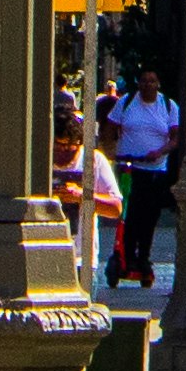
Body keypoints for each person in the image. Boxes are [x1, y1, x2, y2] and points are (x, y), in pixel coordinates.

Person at [108, 68, 181, 294]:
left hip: (155, 170)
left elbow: (175, 138)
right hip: (131, 168)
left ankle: (144, 259)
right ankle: (127, 257)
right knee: (130, 214)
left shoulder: (168, 106)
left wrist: (160, 151)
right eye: (144, 81)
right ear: (138, 84)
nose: (148, 84)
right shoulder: (127, 102)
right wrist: (111, 152)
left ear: (158, 84)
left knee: (149, 217)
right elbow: (110, 127)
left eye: (153, 80)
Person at [56, 116, 125, 279]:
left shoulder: (93, 160)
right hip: (46, 253)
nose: (62, 152)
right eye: (57, 146)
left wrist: (82, 196)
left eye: (68, 146)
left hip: (82, 259)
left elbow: (115, 208)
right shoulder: (39, 161)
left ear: (79, 143)